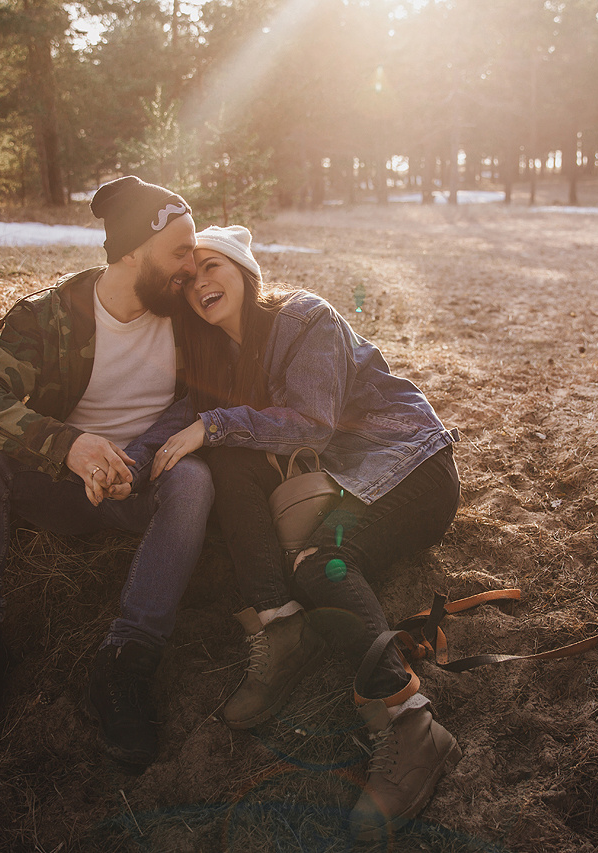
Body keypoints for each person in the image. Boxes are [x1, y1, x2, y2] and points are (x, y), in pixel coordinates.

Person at [153, 224, 462, 839]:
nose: (201, 284)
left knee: (322, 565)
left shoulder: (304, 317)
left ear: (245, 270)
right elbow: (228, 431)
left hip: (408, 466)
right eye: (189, 279)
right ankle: (280, 624)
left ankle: (411, 723)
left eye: (214, 266)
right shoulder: (224, 361)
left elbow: (310, 426)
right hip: (348, 482)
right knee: (229, 454)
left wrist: (213, 424)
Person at [0, 176, 214, 770]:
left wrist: (134, 461)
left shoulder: (189, 319)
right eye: (180, 250)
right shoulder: (49, 316)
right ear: (132, 251)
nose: (193, 266)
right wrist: (68, 447)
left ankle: (126, 662)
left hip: (141, 484)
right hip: (55, 483)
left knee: (194, 483)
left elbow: (211, 397)